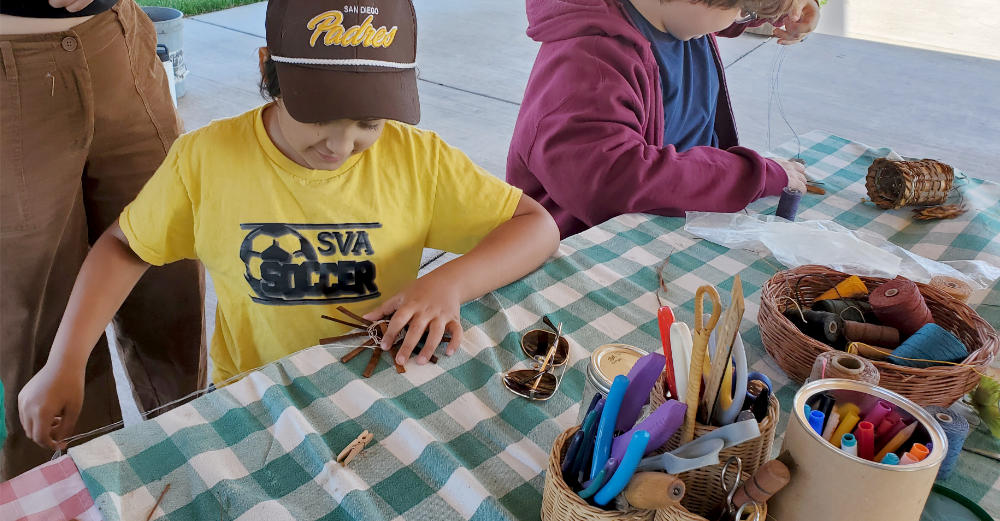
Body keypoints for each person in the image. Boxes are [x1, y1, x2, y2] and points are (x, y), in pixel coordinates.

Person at [18, 0, 560, 451]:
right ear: (267, 70)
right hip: (258, 401)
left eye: (369, 122)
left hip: (384, 388)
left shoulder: (418, 160)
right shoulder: (207, 161)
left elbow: (536, 226)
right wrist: (65, 359)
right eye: (318, 115)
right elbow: (125, 246)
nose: (340, 145)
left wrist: (446, 283)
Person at [0, 0, 204, 478]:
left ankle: (195, 463)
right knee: (36, 322)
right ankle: (81, 492)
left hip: (115, 36)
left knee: (170, 277)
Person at [507, 0, 820, 238]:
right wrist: (753, 175)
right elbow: (615, 181)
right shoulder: (587, 62)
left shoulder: (668, 16)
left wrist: (776, 9)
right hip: (587, 249)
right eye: (741, 10)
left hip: (666, 217)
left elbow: (704, 12)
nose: (742, 19)